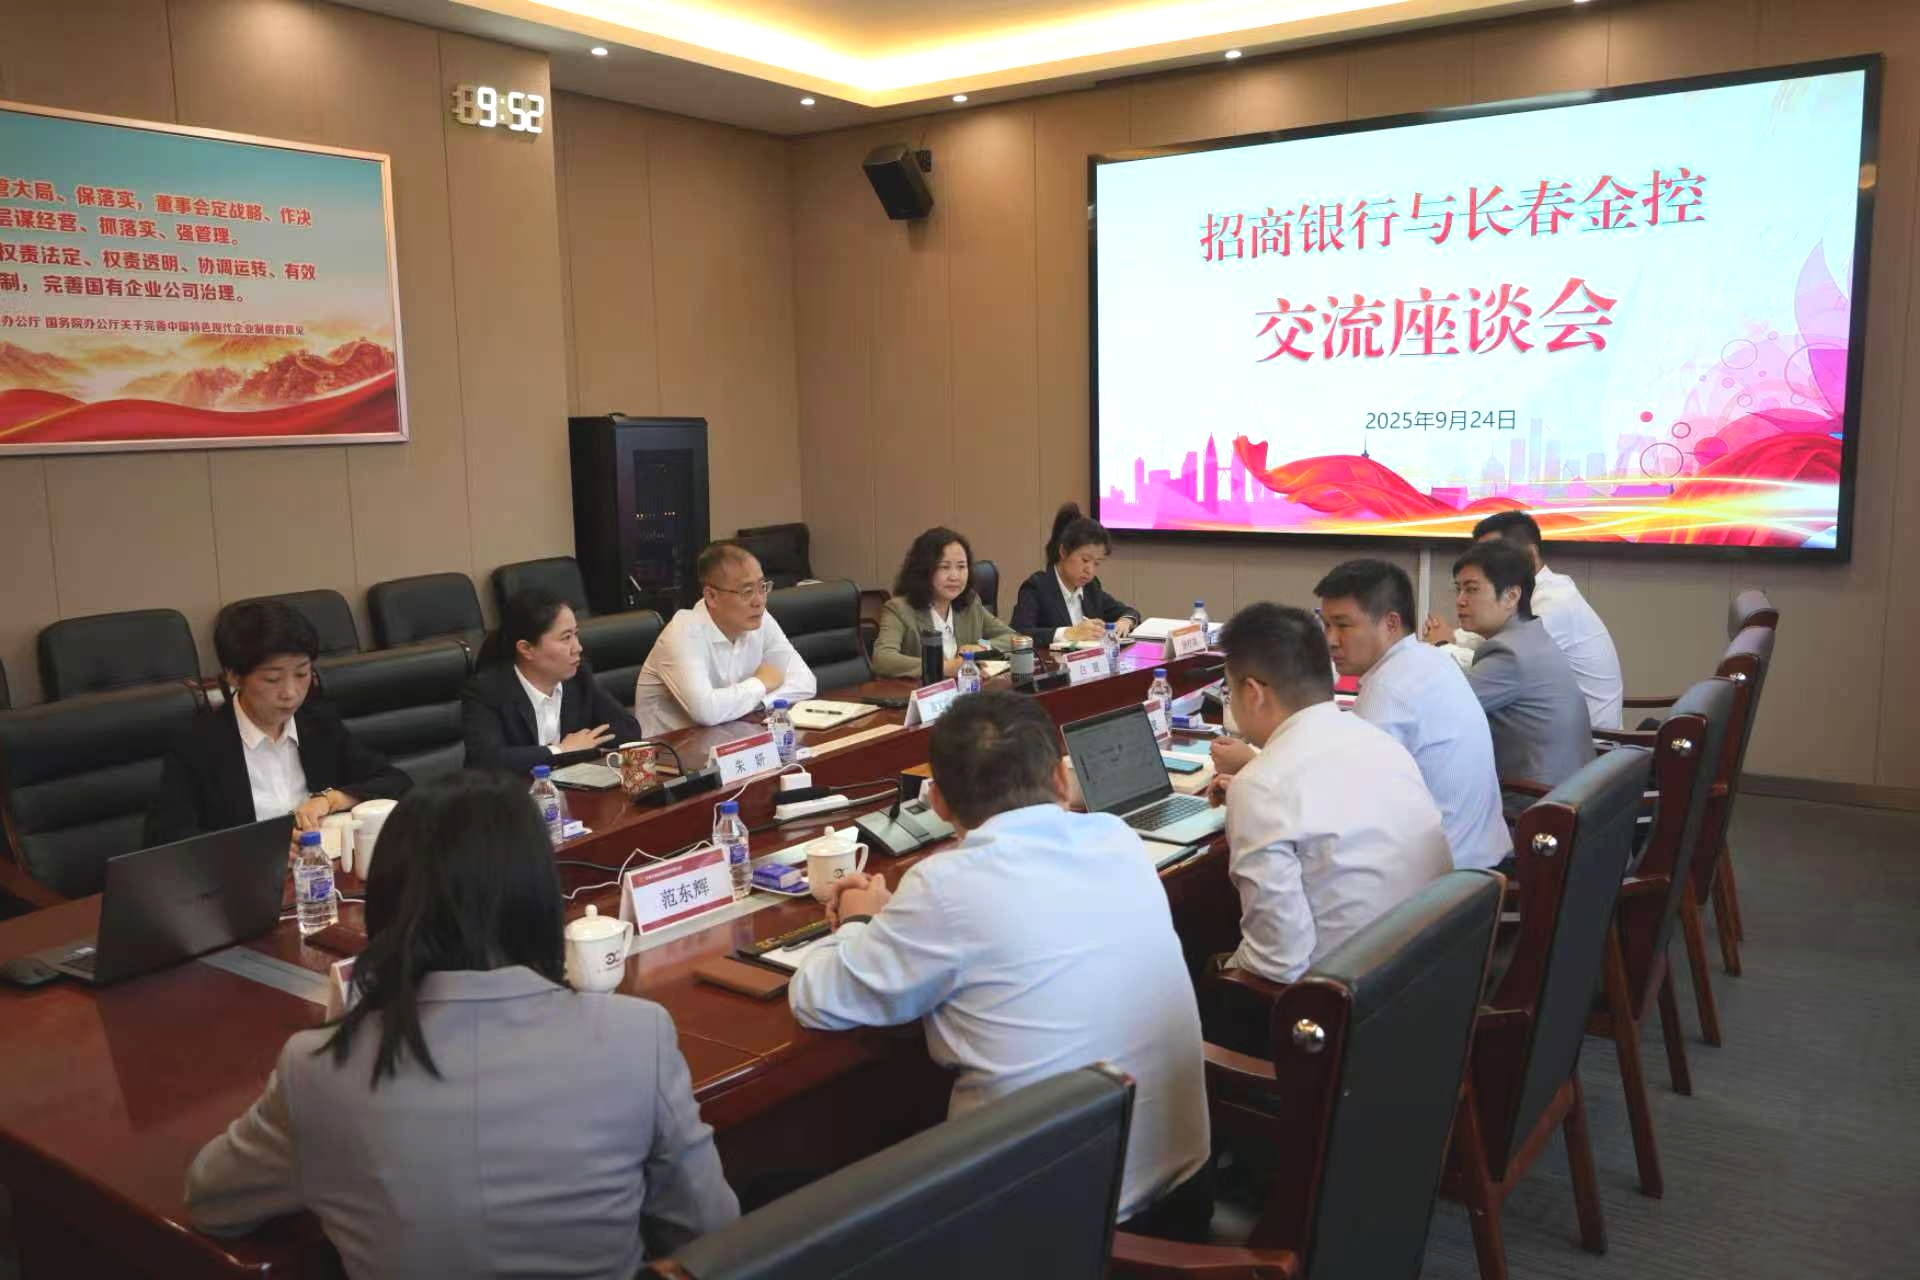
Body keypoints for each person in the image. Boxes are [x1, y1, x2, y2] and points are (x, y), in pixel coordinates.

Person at [184, 770, 739, 1278]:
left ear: (389, 900)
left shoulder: (316, 1068)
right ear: (538, 894)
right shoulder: (636, 1036)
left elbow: (211, 1200)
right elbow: (710, 1232)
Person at [787, 691, 1211, 1236]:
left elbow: (816, 999)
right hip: (1185, 1199)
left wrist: (860, 921)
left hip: (1051, 1238)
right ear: (1062, 779)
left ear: (937, 802)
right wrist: (903, 920)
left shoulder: (944, 886)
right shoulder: (1117, 837)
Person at [1208, 602, 1450, 984]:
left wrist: (1222, 971)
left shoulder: (1260, 785)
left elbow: (1277, 964)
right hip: (1430, 969)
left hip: (1346, 997)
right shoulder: (1378, 740)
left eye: (1229, 690)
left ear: (1252, 692)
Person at [145, 600, 409, 849]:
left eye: (302, 674)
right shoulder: (197, 744)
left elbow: (396, 783)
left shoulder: (318, 724)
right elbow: (167, 842)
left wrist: (330, 799)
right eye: (273, 679)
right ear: (234, 676)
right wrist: (261, 849)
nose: (290, 693)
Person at [1313, 560, 1510, 871]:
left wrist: (1258, 771)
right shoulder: (1429, 657)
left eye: (1343, 625)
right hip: (1480, 859)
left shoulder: (1389, 688)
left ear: (1391, 623)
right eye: (1326, 625)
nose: (1331, 640)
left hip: (1446, 880)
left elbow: (1343, 802)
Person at [1423, 510, 1624, 730]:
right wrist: (1452, 638)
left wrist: (1443, 646)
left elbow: (1498, 665)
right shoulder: (1533, 597)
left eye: (1493, 554)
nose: (1483, 562)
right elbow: (1492, 646)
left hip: (1593, 739)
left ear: (1530, 554)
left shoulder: (1555, 602)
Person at [1448, 540, 1595, 811]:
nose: (1460, 600)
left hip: (1536, 807)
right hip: (1571, 793)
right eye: (1458, 589)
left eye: (1472, 589)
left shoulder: (1509, 654)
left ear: (1511, 596)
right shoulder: (1531, 636)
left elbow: (1441, 713)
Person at [634, 541, 817, 731]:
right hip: (670, 746)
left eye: (762, 587)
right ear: (711, 596)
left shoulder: (760, 619)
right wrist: (761, 683)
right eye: (747, 591)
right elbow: (707, 711)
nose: (759, 601)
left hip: (729, 737)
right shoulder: (683, 632)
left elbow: (805, 682)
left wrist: (757, 703)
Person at [461, 588, 644, 775]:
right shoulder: (486, 691)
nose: (578, 647)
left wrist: (584, 743)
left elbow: (628, 729)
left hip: (571, 786)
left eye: (576, 634)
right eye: (566, 638)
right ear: (526, 649)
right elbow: (487, 761)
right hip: (513, 792)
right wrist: (561, 751)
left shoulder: (578, 677)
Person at [871, 527, 1016, 680]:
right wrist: (946, 667)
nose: (954, 576)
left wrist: (981, 647)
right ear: (924, 571)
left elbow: (1013, 639)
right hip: (921, 691)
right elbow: (882, 659)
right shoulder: (899, 609)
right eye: (944, 567)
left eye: (961, 566)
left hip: (968, 690)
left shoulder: (970, 603)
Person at [1010, 502, 1142, 647]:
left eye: (1096, 563)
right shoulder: (1037, 587)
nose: (1090, 570)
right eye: (1085, 560)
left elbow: (1129, 611)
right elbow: (1018, 634)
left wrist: (1125, 621)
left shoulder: (1091, 587)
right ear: (1063, 552)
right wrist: (1069, 633)